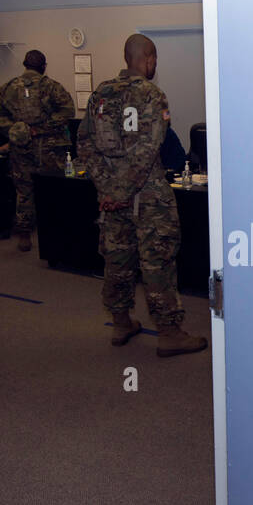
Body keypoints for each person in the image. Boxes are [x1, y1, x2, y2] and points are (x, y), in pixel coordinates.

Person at [76, 34, 207, 357]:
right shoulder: (152, 95)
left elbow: (84, 145)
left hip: (111, 200)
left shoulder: (99, 95)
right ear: (150, 59)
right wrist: (122, 191)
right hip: (148, 198)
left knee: (117, 259)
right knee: (157, 262)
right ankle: (169, 333)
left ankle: (121, 322)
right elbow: (148, 151)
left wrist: (107, 189)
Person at [0, 49, 75, 251]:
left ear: (24, 64)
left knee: (24, 190)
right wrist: (41, 128)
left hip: (21, 148)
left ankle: (24, 234)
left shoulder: (8, 87)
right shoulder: (51, 86)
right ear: (44, 66)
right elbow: (68, 110)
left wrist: (15, 129)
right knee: (53, 188)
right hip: (50, 147)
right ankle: (56, 232)